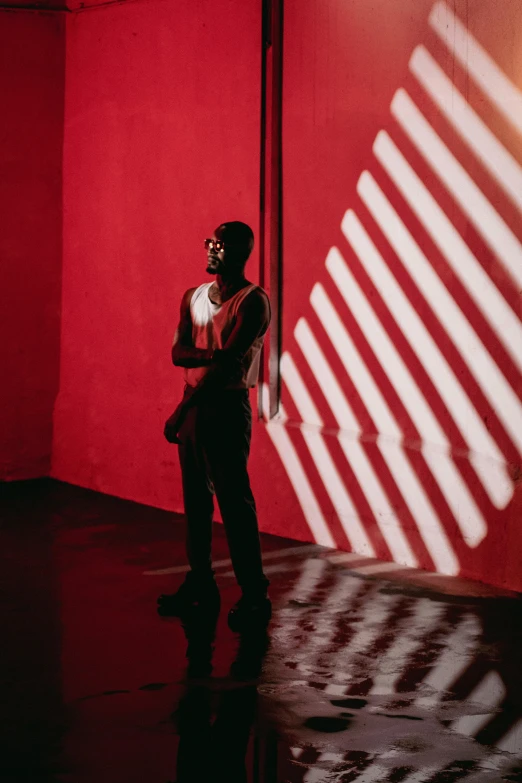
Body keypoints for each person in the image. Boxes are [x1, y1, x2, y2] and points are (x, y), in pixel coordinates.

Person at [158, 221, 271, 631]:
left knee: (234, 504)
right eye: (210, 242)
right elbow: (178, 354)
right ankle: (201, 584)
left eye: (220, 245)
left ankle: (255, 595)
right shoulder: (193, 297)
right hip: (196, 405)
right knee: (196, 503)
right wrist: (213, 358)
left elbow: (229, 369)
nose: (211, 249)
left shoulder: (253, 302)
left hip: (225, 408)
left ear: (241, 252)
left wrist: (181, 408)